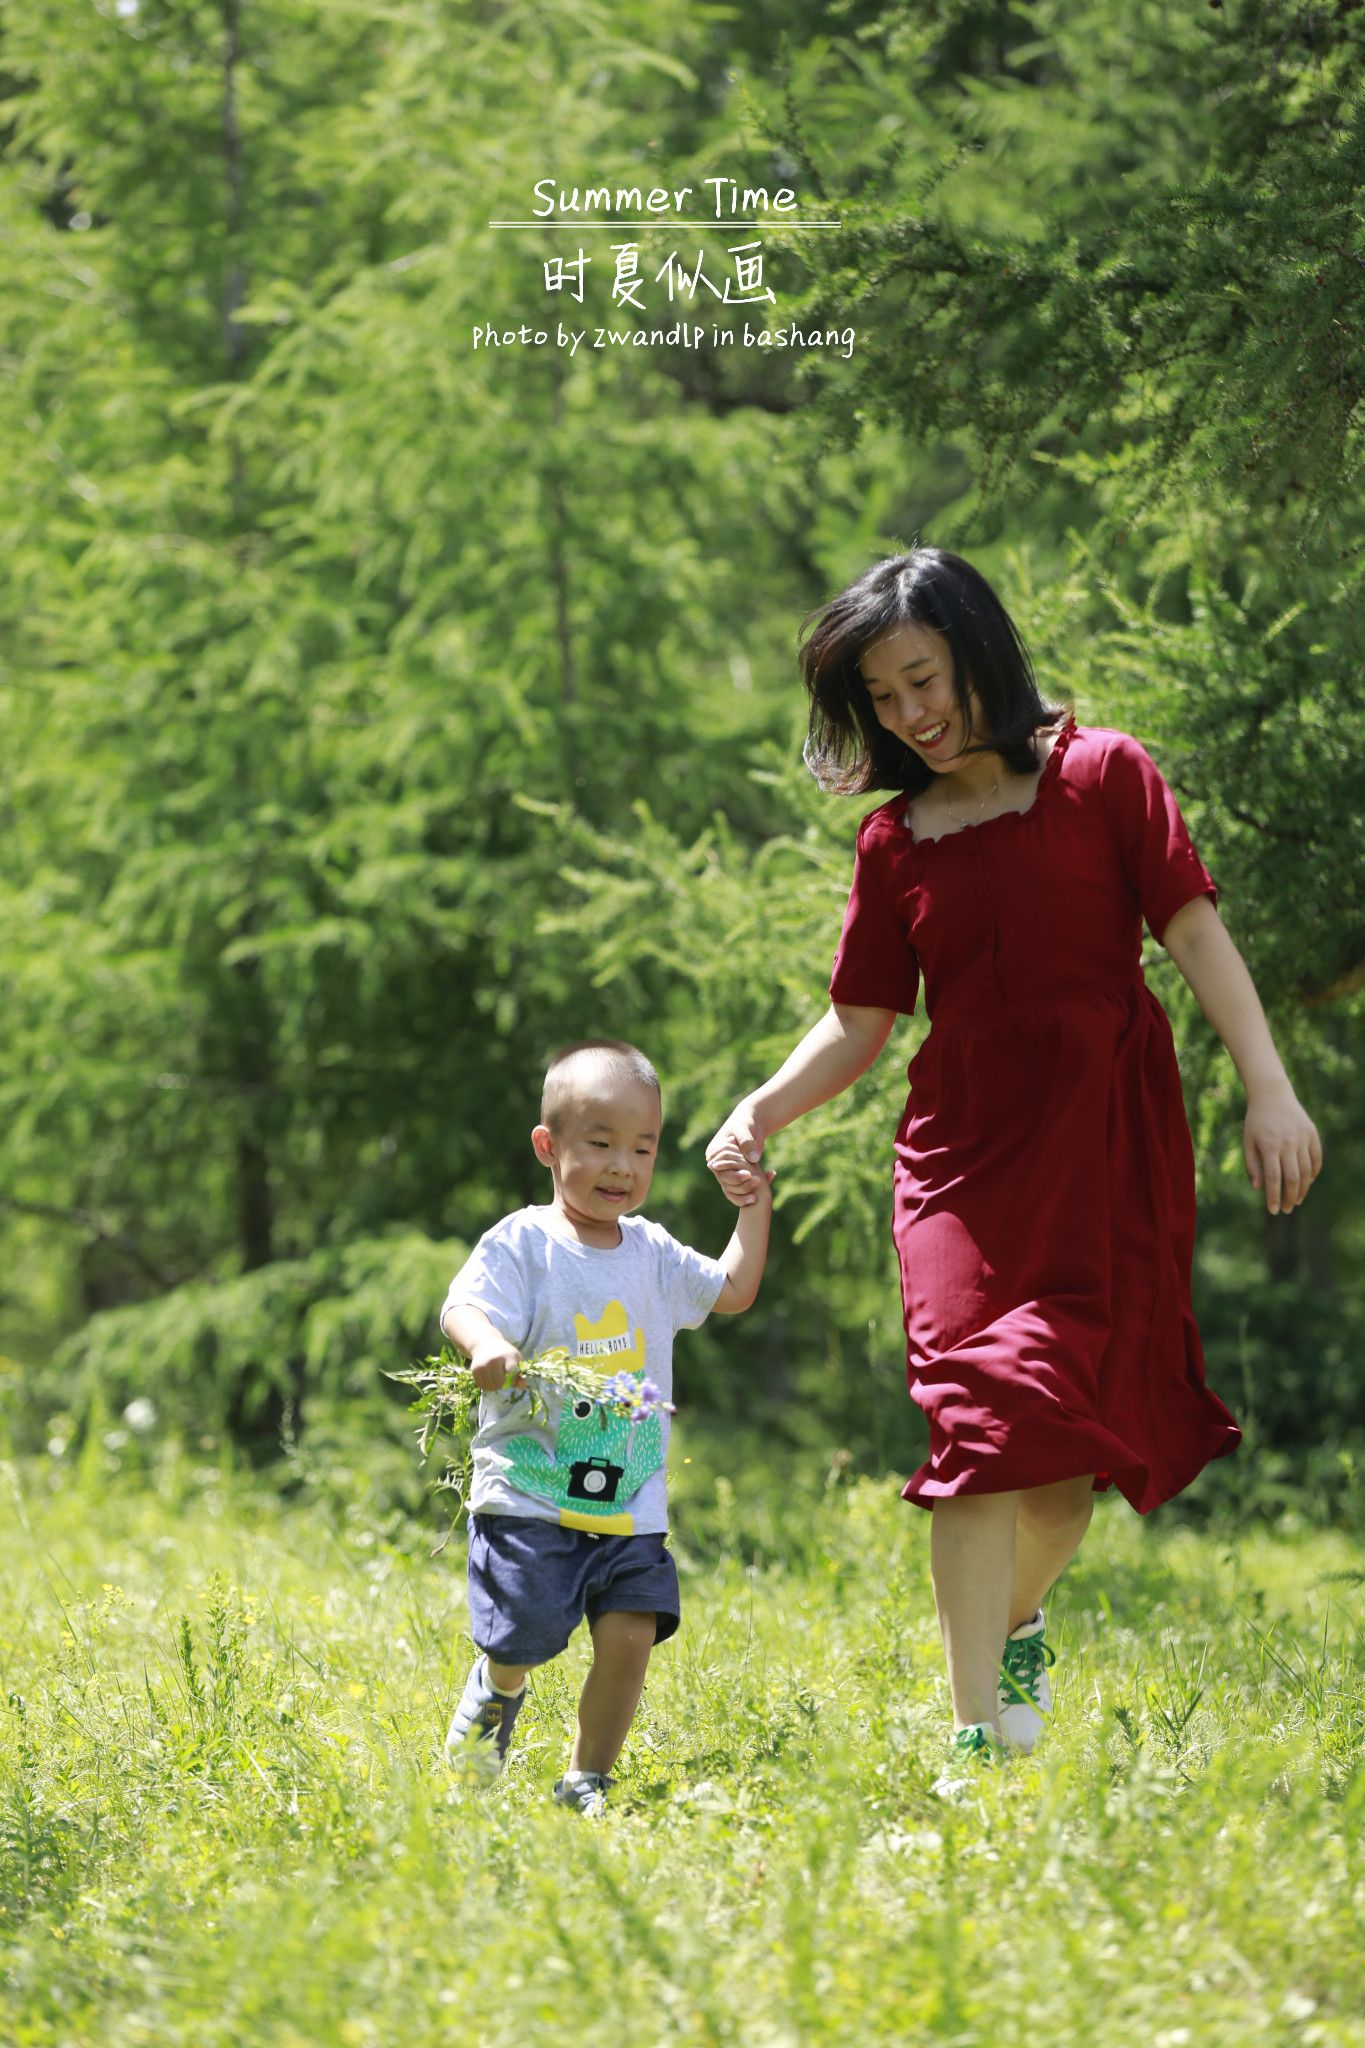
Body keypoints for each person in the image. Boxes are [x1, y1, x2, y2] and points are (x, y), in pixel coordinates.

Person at [705, 547, 1322, 1795]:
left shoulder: (1106, 774)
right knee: (976, 1415)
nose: (909, 714)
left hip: (1103, 1144)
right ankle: (974, 1739)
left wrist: (1268, 1082)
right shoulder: (895, 841)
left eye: (921, 678)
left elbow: (1194, 927)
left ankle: (1017, 1619)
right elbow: (863, 1017)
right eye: (881, 698)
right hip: (959, 1159)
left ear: (979, 649)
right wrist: (757, 1109)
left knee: (1061, 1459)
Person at [440, 1037, 772, 1814]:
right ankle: (497, 1688)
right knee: (520, 1635)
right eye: (600, 1144)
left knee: (630, 1636)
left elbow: (730, 1291)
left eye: (642, 1147)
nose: (623, 1165)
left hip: (627, 1500)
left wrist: (754, 1206)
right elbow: (465, 1304)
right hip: (529, 1491)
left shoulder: (650, 1250)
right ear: (548, 1147)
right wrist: (486, 1344)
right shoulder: (524, 1241)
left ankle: (586, 1776)